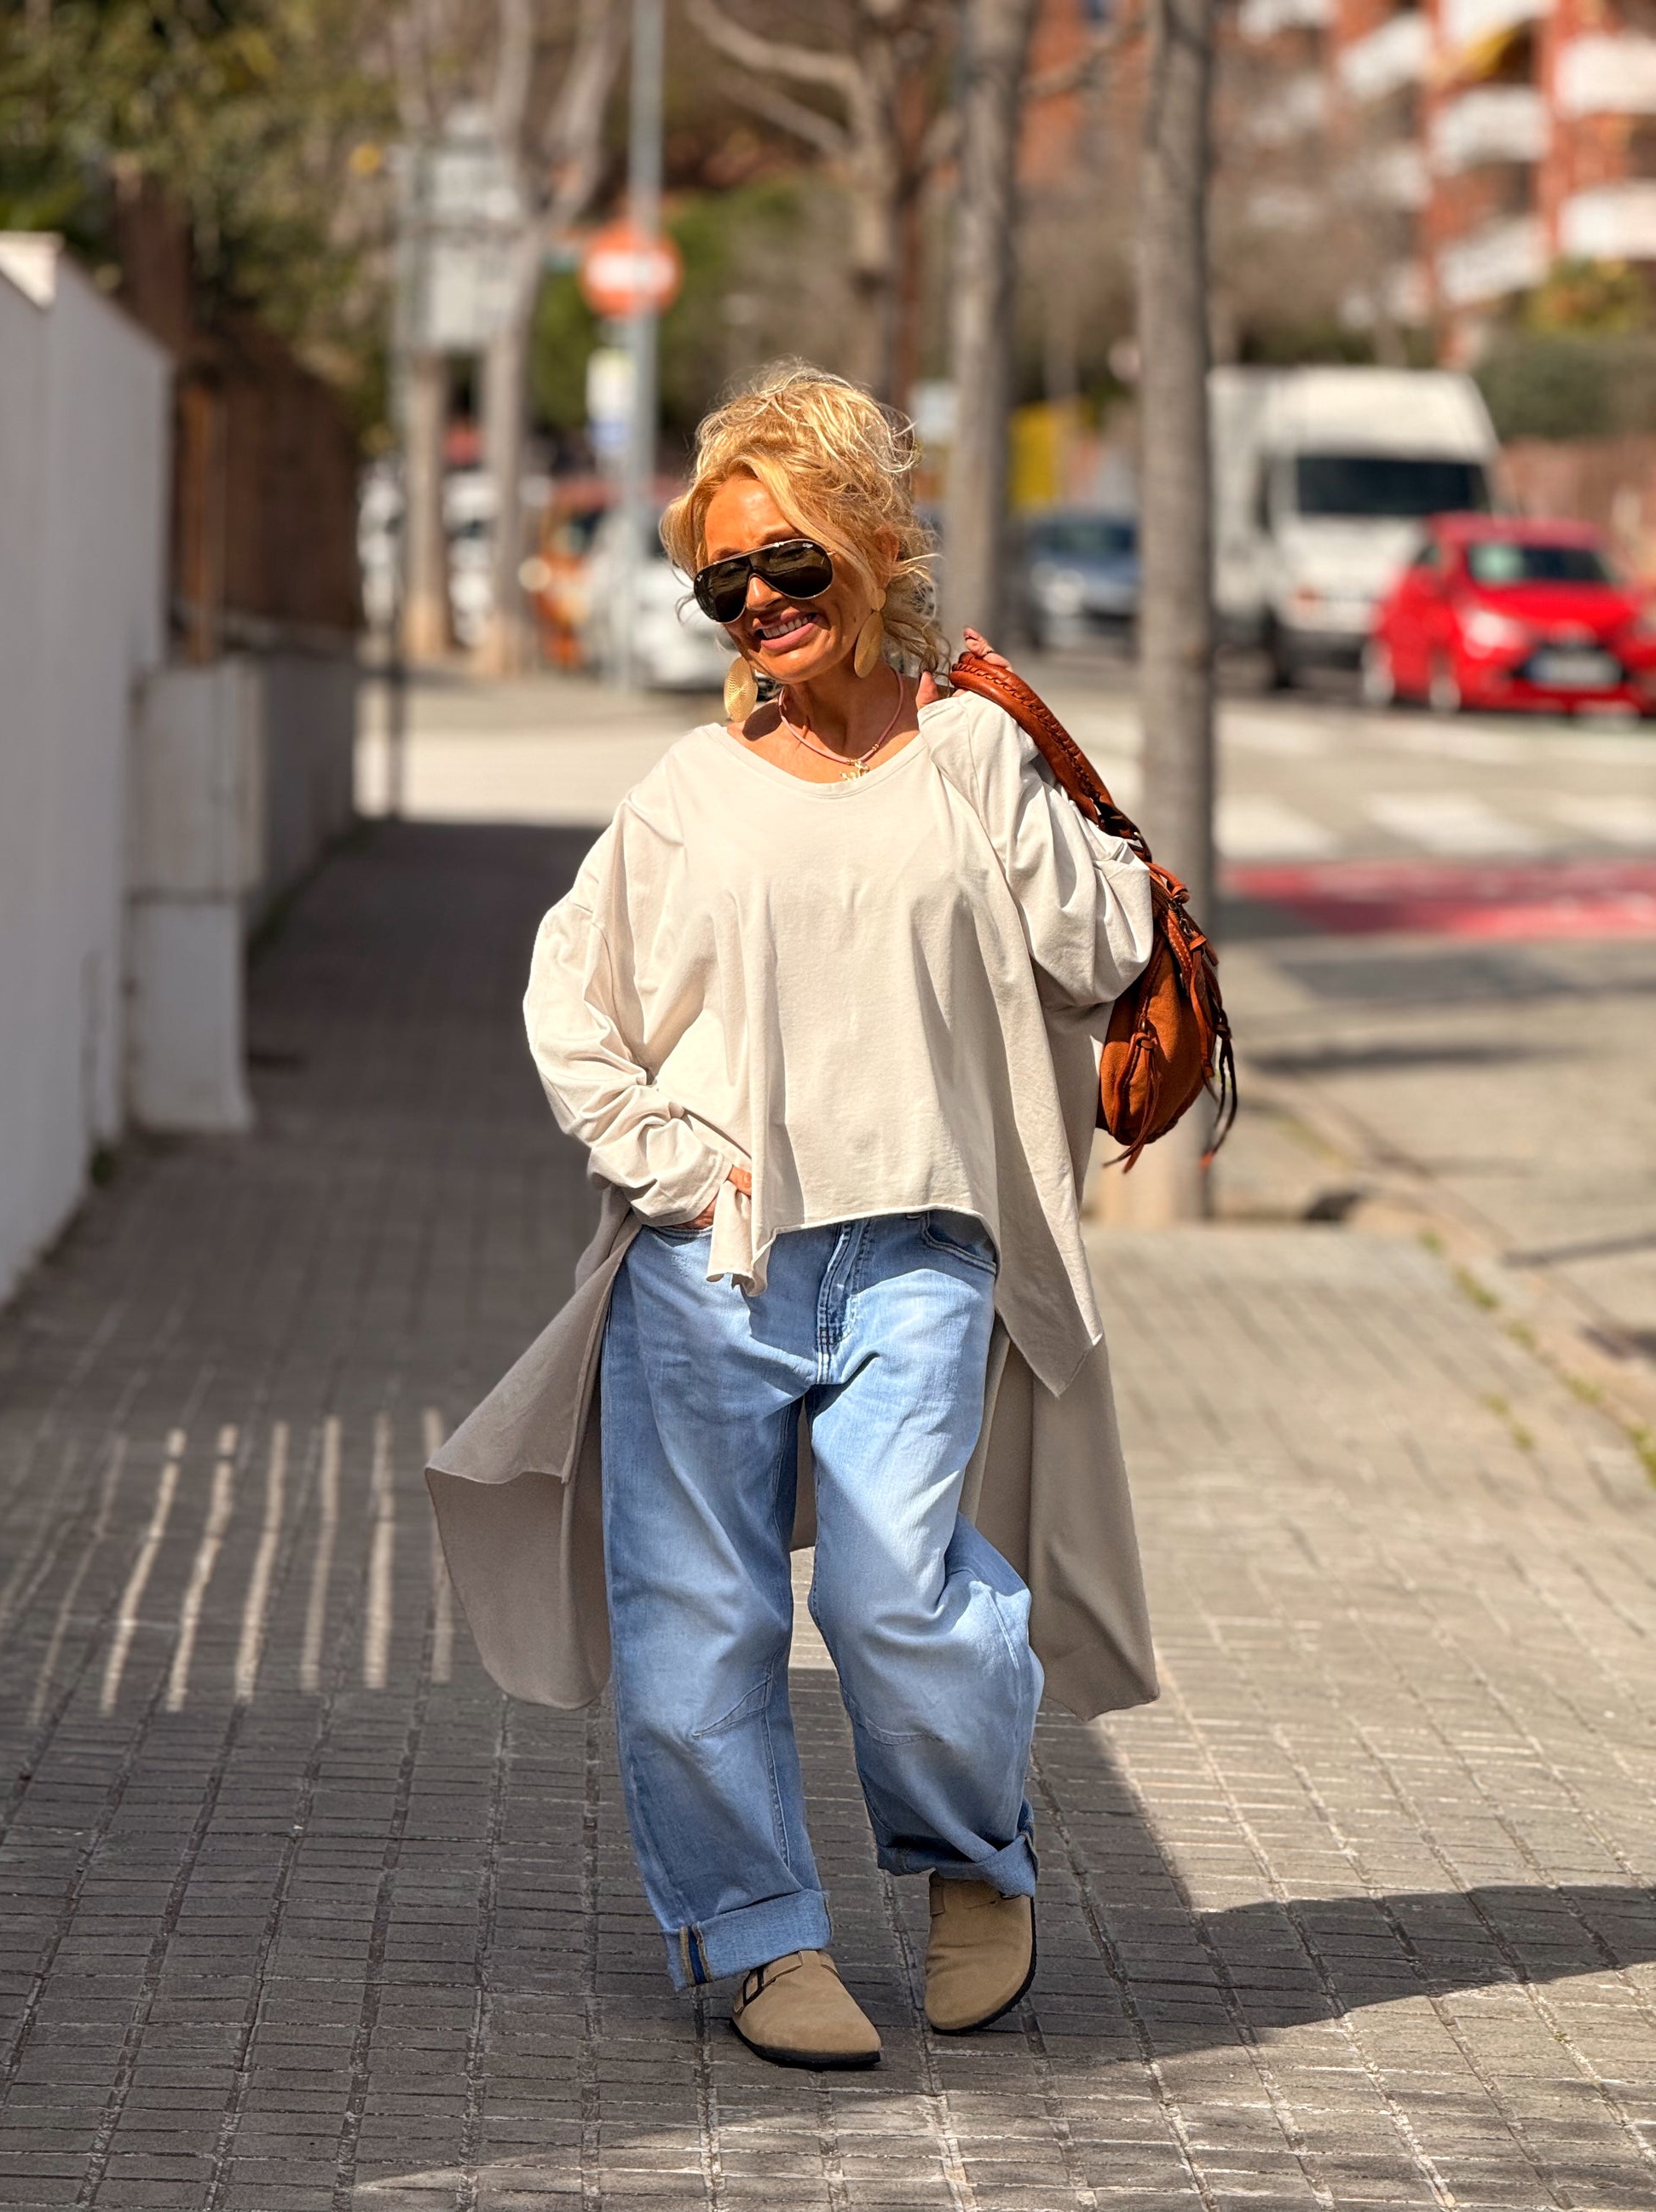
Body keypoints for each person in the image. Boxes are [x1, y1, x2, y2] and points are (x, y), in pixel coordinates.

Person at [425, 362, 1161, 2071]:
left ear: (871, 546)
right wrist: (674, 1168)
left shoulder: (968, 752)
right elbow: (568, 1005)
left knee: (898, 1592)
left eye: (789, 563)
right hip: (716, 1268)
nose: (758, 603)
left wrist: (1016, 758)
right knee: (700, 1622)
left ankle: (974, 1857)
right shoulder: (688, 793)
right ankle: (758, 1935)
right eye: (723, 581)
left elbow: (1106, 949)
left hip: (924, 1251)